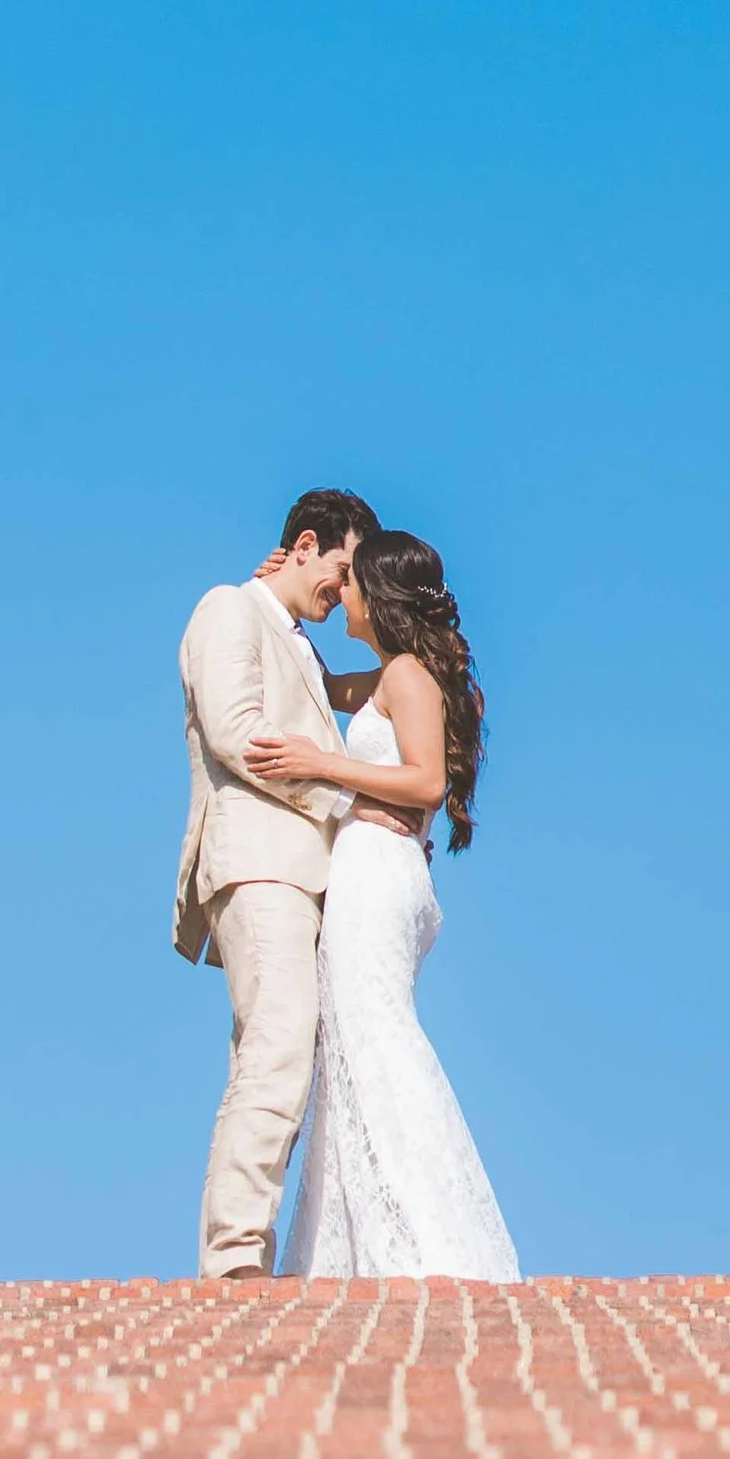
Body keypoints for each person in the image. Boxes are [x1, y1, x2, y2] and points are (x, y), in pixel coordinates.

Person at [246, 526, 520, 1279]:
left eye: (352, 584)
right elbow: (315, 684)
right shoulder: (389, 677)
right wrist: (274, 595)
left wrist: (320, 763)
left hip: (377, 872)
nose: (343, 595)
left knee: (375, 1036)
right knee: (352, 1042)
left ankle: (427, 1236)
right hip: (371, 868)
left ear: (381, 594)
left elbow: (426, 781)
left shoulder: (406, 675)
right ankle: (365, 1241)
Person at [174, 486, 383, 1280]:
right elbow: (236, 730)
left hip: (303, 877)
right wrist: (348, 801)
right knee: (278, 1049)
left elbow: (328, 699)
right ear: (303, 545)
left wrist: (417, 664)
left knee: (279, 1053)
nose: (344, 587)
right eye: (341, 566)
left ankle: (242, 1247)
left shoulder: (300, 642)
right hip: (261, 863)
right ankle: (233, 1260)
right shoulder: (229, 607)